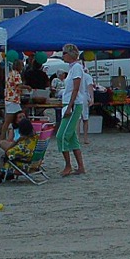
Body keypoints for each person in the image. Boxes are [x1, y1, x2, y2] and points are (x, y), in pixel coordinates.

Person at [56, 43, 87, 176]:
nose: (63, 56)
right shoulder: (73, 68)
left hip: (73, 104)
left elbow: (76, 89)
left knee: (61, 136)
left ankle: (68, 165)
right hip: (70, 103)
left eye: (64, 53)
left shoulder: (76, 68)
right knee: (72, 137)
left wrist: (69, 106)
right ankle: (80, 166)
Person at [0, 114, 37, 184]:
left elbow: (9, 152)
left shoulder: (22, 144)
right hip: (29, 162)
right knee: (1, 143)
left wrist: (16, 141)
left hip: (15, 163)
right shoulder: (34, 139)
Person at [0, 58, 24, 141]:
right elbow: (19, 85)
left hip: (9, 98)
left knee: (13, 120)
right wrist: (27, 87)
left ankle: (11, 136)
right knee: (9, 121)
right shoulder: (16, 74)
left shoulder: (10, 73)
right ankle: (2, 138)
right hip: (13, 100)